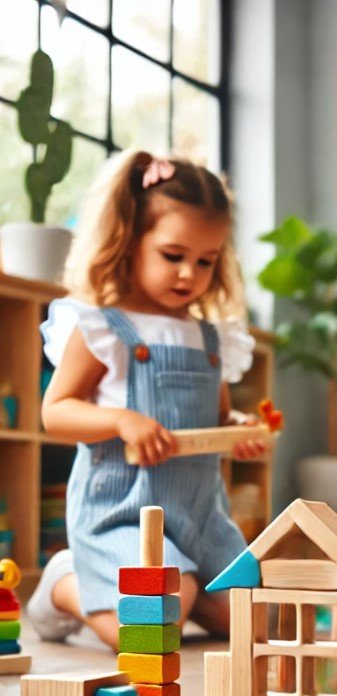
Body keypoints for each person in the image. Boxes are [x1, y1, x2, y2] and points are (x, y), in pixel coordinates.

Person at [28, 150, 267, 650]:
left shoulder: (209, 337)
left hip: (202, 515)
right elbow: (56, 412)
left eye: (206, 261)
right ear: (130, 240)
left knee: (256, 619)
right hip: (123, 512)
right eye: (173, 256)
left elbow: (218, 415)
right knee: (149, 633)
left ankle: (186, 583)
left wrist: (240, 429)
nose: (189, 275)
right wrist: (119, 420)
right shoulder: (103, 325)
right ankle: (65, 585)